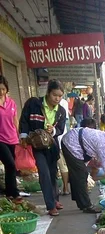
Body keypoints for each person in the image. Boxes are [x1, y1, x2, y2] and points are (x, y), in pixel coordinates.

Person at [19, 80, 66, 216]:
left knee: (52, 173)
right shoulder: (33, 103)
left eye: (60, 96)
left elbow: (61, 129)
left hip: (52, 146)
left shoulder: (61, 111)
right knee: (44, 173)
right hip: (37, 145)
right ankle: (51, 205)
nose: (57, 99)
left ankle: (55, 199)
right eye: (54, 95)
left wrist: (53, 130)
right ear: (48, 93)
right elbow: (24, 120)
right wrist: (23, 136)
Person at [0, 75, 21, 204]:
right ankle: (14, 192)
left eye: (3, 89)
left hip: (12, 138)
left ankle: (10, 194)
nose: (1, 92)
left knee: (11, 167)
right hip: (0, 139)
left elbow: (15, 120)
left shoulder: (11, 102)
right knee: (10, 164)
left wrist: (20, 135)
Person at [58, 96, 70, 195]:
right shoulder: (64, 103)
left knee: (61, 166)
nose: (57, 98)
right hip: (61, 140)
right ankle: (65, 188)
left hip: (58, 139)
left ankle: (65, 188)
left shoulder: (63, 104)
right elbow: (67, 122)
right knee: (63, 166)